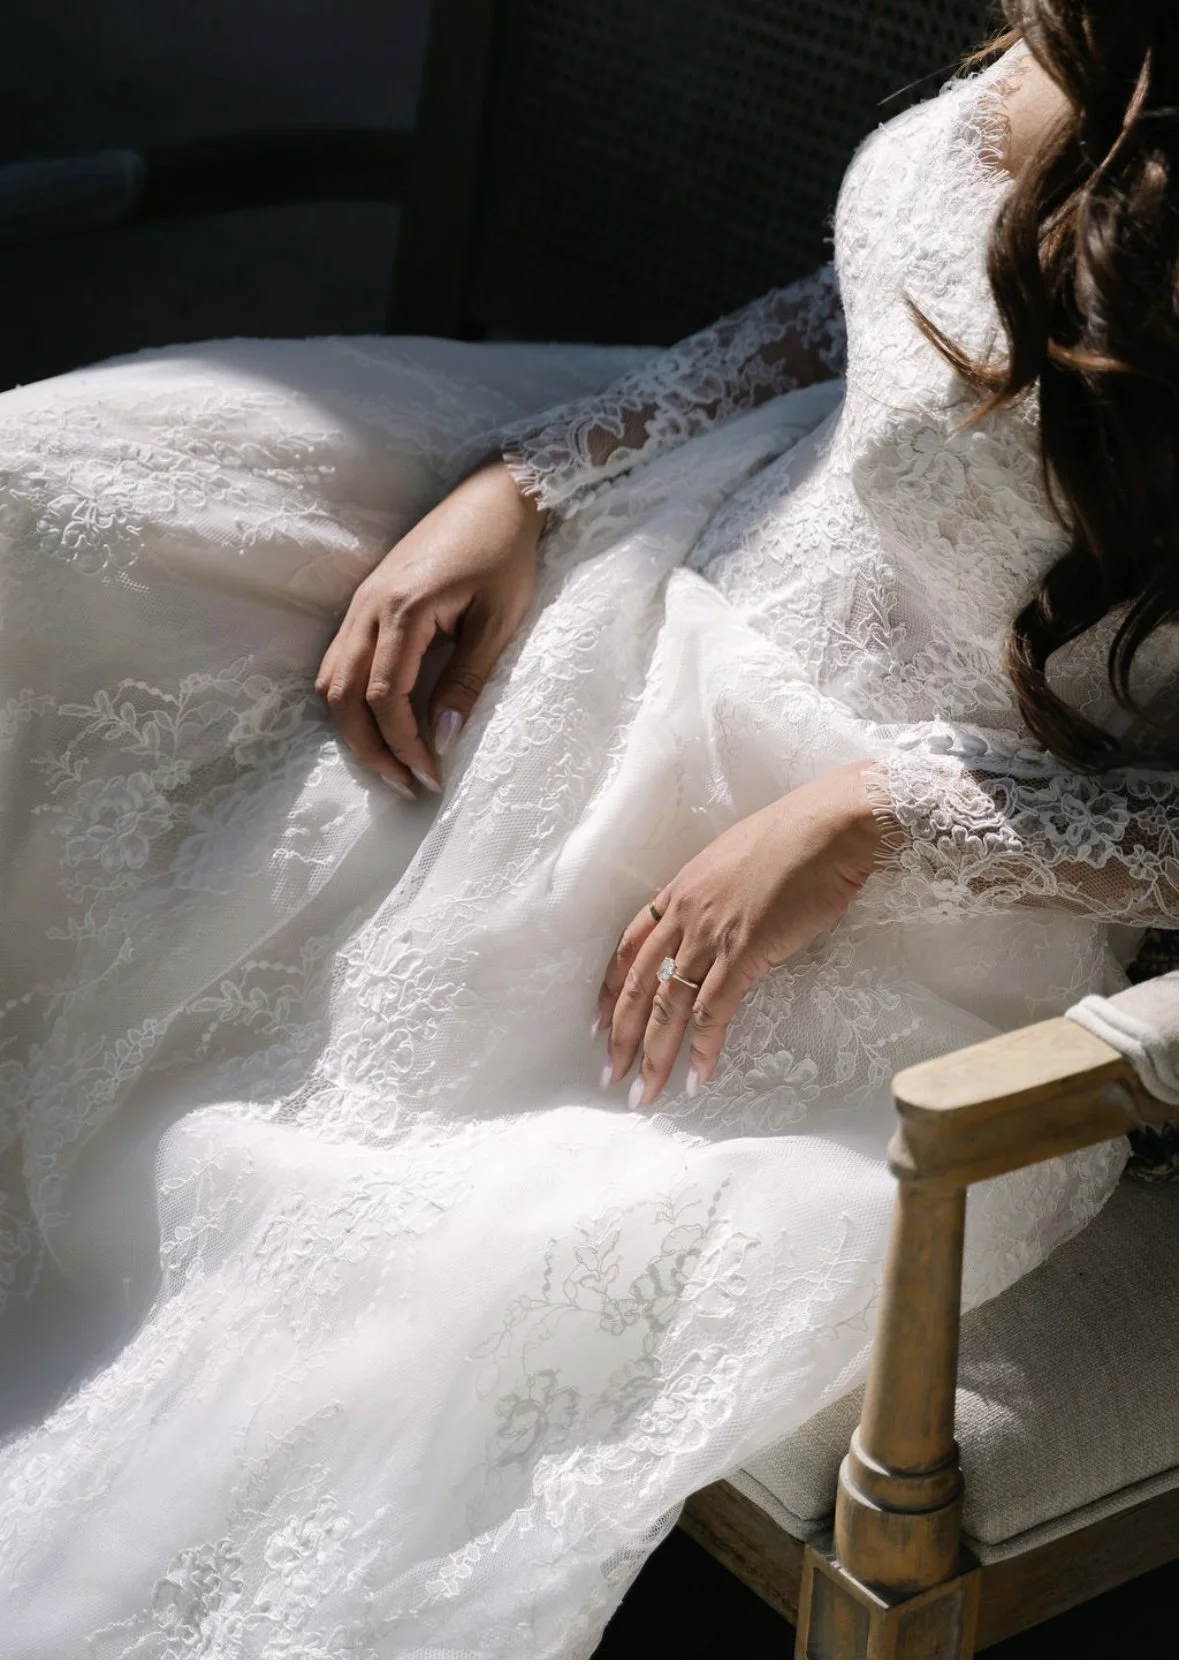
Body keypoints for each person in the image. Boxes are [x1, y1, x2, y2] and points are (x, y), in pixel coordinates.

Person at [0, 1, 1176, 1654]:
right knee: (54, 505)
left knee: (363, 1254)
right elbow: (875, 322)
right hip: (675, 546)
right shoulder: (1070, 29)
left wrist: (875, 817)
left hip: (887, 847)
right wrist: (537, 483)